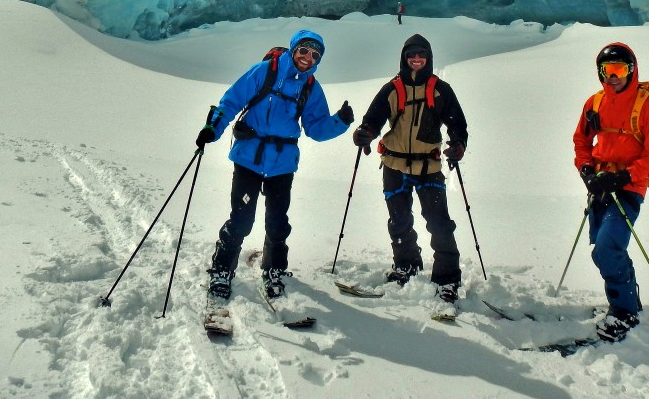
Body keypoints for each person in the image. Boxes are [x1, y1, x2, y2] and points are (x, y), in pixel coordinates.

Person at [196, 30, 353, 301]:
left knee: (278, 222)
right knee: (242, 219)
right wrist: (213, 128)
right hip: (249, 158)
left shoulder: (311, 87)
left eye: (315, 55)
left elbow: (315, 128)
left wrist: (339, 121)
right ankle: (221, 270)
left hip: (282, 163)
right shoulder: (264, 71)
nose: (308, 57)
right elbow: (231, 101)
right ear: (294, 49)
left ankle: (274, 270)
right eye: (304, 50)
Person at [351, 34, 468, 303]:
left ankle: (447, 278)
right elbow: (373, 120)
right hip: (395, 165)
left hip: (429, 166)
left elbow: (457, 126)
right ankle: (407, 266)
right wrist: (364, 133)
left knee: (439, 224)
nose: (416, 59)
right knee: (400, 222)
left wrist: (458, 144)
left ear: (428, 58)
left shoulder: (441, 90)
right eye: (411, 55)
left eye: (421, 55)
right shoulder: (391, 89)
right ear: (404, 58)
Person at [573, 42, 649, 343]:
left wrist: (625, 177)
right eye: (607, 70)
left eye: (620, 69)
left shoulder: (648, 105)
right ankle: (627, 300)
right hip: (600, 186)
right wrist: (586, 170)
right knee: (602, 250)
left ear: (632, 70)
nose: (613, 76)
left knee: (607, 247)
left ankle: (624, 310)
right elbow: (581, 142)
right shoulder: (595, 103)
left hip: (628, 188)